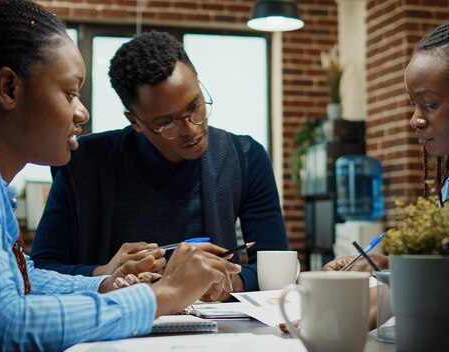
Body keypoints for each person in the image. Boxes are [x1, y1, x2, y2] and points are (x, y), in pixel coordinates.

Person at [0, 1, 241, 350]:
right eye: (70, 93)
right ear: (9, 89)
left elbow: (23, 279)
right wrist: (164, 295)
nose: (83, 113)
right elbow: (0, 326)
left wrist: (105, 283)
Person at [30, 31, 289, 299]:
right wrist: (104, 273)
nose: (191, 129)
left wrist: (225, 282)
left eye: (195, 105)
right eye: (167, 122)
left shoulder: (244, 157)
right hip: (115, 328)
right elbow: (39, 271)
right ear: (136, 122)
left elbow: (276, 268)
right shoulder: (83, 164)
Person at [325, 0, 449, 318]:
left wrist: (409, 280)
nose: (415, 120)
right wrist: (392, 268)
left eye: (429, 104)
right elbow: (444, 283)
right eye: (413, 105)